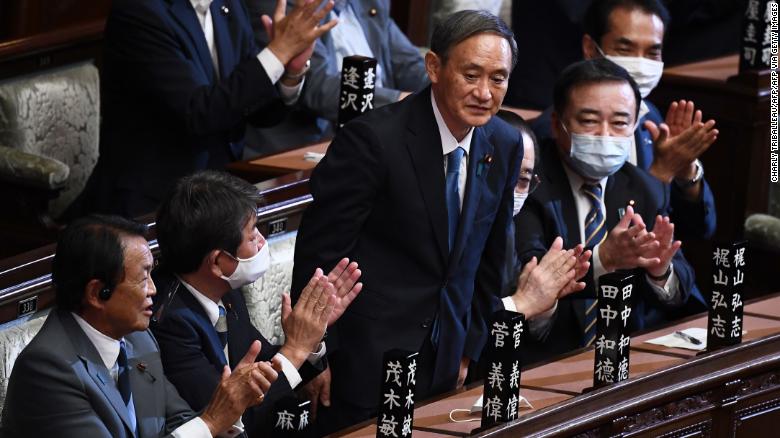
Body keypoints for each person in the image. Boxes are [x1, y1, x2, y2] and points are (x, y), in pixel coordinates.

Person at [291, 10, 590, 433]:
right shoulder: (374, 141)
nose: (485, 92)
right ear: (434, 67)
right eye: (471, 75)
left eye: (498, 78)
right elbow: (318, 255)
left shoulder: (503, 143)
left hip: (448, 360)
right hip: (364, 361)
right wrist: (315, 357)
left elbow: (489, 260)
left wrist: (470, 344)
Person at [1, 215, 277, 437]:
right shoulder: (48, 369)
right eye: (143, 278)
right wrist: (214, 419)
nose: (154, 290)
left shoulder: (139, 340)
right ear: (97, 293)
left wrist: (223, 418)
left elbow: (180, 420)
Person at [516, 58, 707, 363]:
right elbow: (525, 281)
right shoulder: (530, 184)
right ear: (557, 124)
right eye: (589, 121)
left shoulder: (641, 185)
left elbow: (680, 283)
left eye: (619, 123)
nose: (605, 135)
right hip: (545, 359)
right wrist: (603, 261)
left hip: (623, 360)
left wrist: (659, 272)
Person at [70, 0, 337, 218]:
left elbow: (256, 109)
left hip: (214, 195)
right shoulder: (140, 11)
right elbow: (198, 113)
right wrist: (278, 52)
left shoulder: (226, 7)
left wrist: (290, 72)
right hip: (150, 205)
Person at [150, 170, 363, 435]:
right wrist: (295, 349)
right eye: (252, 236)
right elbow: (234, 420)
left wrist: (310, 338)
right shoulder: (170, 324)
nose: (263, 242)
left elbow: (261, 365)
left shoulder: (224, 289)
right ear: (218, 262)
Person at [532, 0, 718, 241]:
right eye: (625, 49)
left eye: (652, 53)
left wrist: (685, 173)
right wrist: (659, 175)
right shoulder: (551, 132)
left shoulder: (652, 119)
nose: (640, 64)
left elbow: (699, 230)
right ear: (590, 48)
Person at [244, 0, 429, 152]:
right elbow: (317, 86)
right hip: (305, 150)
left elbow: (409, 65)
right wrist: (401, 103)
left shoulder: (369, 3)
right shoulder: (284, 4)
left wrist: (443, 85)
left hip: (381, 137)